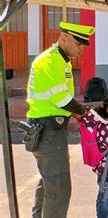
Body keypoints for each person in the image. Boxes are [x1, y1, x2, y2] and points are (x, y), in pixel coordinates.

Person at [26, 22, 95, 218]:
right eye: (78, 44)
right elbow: (61, 98)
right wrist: (84, 113)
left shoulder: (60, 60)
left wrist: (78, 113)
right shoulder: (50, 61)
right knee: (59, 187)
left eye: (83, 46)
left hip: (50, 130)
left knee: (49, 182)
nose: (81, 49)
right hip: (47, 130)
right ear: (64, 37)